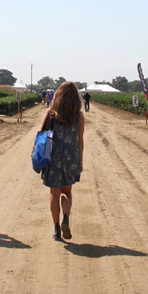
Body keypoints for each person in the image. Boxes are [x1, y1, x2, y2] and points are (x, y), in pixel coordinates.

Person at [40, 81, 85, 241]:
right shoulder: (78, 116)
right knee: (67, 192)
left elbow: (41, 134)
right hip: (70, 157)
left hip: (53, 157)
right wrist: (80, 160)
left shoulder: (51, 113)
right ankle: (66, 217)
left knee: (55, 194)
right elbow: (80, 139)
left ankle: (56, 228)